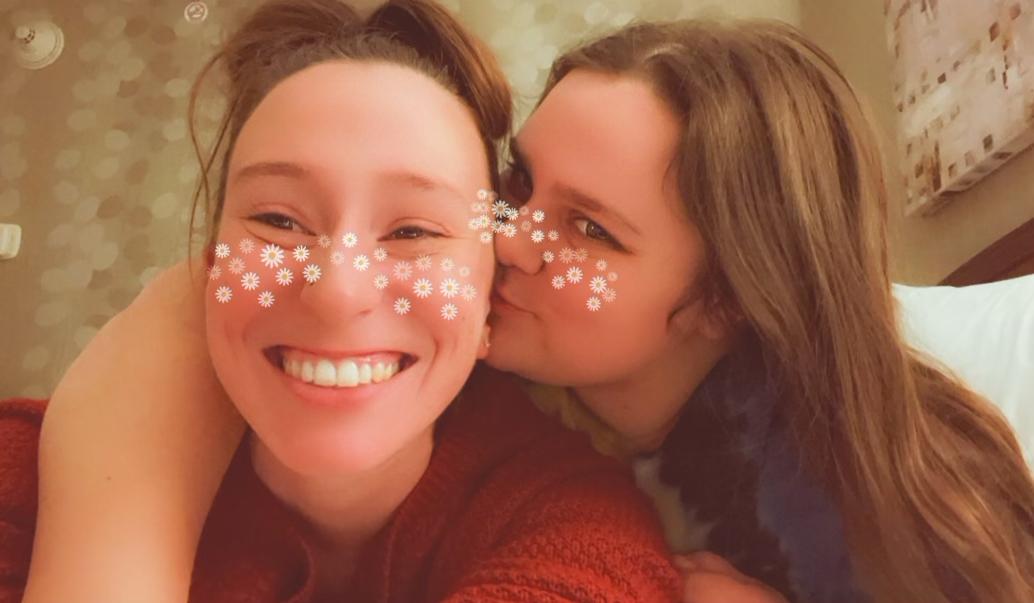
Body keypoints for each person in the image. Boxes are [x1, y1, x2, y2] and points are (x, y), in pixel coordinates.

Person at [25, 10, 1034, 603]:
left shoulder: (808, 499)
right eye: (515, 186)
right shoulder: (210, 340)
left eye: (589, 229)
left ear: (721, 300)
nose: (503, 240)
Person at [4, 2, 683, 602]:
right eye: (278, 221)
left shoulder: (573, 523)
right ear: (209, 264)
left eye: (414, 231)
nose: (336, 291)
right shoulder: (24, 484)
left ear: (489, 298)